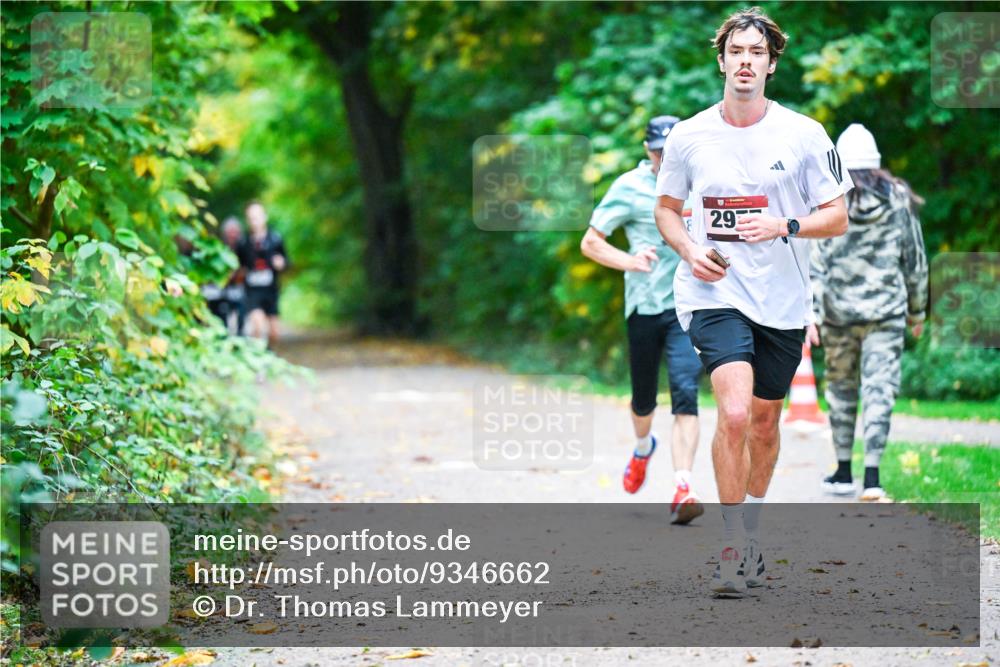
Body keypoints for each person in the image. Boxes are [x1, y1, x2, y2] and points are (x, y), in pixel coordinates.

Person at [653, 7, 852, 597]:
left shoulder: (804, 134)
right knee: (735, 414)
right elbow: (666, 209)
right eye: (735, 51)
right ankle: (732, 547)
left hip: (783, 300)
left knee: (765, 423)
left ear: (771, 64)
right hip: (713, 292)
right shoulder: (690, 136)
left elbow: (837, 216)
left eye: (755, 53)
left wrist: (785, 225)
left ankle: (754, 536)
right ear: (722, 61)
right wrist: (690, 250)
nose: (745, 61)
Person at [580, 116, 705, 525]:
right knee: (644, 400)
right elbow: (591, 241)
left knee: (686, 391)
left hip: (687, 306)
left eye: (669, 153)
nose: (662, 158)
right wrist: (630, 261)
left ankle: (684, 486)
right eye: (656, 152)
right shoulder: (628, 188)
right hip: (644, 307)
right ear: (647, 150)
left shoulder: (701, 182)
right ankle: (641, 447)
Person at [811, 123, 928, 502]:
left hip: (837, 314)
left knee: (841, 389)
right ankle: (873, 478)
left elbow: (816, 261)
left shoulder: (830, 200)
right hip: (886, 314)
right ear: (876, 162)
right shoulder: (897, 199)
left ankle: (843, 471)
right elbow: (914, 259)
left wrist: (811, 313)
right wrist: (917, 311)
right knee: (879, 390)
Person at [238, 201, 288, 348]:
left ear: (264, 217)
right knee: (258, 326)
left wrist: (281, 263)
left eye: (257, 217)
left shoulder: (275, 239)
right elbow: (239, 266)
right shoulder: (244, 243)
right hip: (252, 291)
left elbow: (286, 262)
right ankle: (258, 362)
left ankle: (269, 355)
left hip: (271, 290)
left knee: (274, 332)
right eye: (251, 218)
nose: (255, 221)